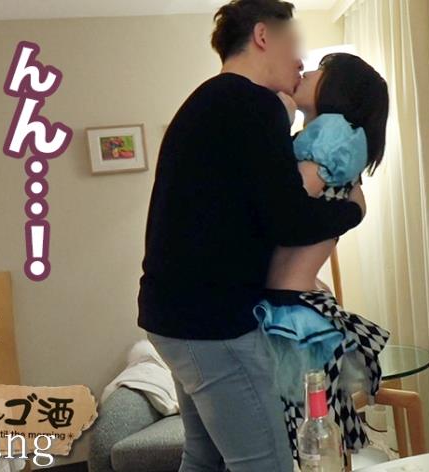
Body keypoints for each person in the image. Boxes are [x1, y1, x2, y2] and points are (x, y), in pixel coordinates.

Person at [136, 1, 366, 471]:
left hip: (171, 314)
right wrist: (353, 210)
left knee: (205, 458)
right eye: (295, 45)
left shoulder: (210, 101)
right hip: (211, 321)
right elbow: (289, 219)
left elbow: (256, 212)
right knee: (265, 464)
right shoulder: (251, 104)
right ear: (263, 36)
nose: (299, 61)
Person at [253, 52, 391, 469]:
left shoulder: (331, 136)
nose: (306, 72)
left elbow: (286, 209)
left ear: (338, 89)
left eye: (320, 71)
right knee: (316, 432)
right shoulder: (329, 140)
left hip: (290, 308)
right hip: (299, 300)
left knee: (301, 437)